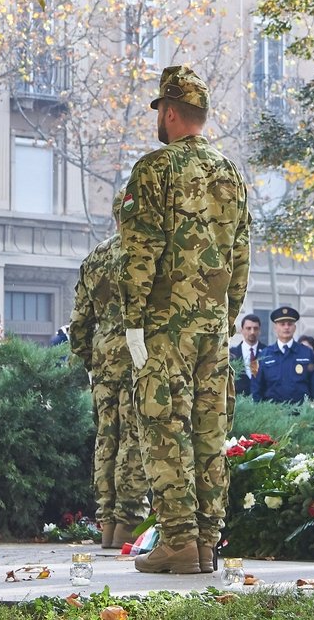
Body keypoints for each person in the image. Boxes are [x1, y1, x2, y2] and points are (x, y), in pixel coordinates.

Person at [119, 65, 251, 575]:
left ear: (170, 113)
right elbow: (240, 256)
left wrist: (133, 324)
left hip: (164, 327)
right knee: (209, 431)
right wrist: (226, 316)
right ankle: (206, 543)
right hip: (213, 330)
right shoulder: (232, 175)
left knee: (163, 427)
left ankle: (177, 541)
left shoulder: (154, 170)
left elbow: (139, 254)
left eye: (160, 112)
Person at [68, 190, 148, 551]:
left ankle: (106, 522)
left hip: (103, 356)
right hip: (139, 354)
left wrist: (89, 357)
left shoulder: (95, 257)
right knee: (134, 437)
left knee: (106, 437)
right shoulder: (146, 252)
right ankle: (129, 520)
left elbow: (79, 322)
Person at [250, 307, 314, 404]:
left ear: (294, 328)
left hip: (301, 415)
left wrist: (313, 412)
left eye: (290, 324)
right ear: (275, 328)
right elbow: (256, 390)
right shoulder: (263, 355)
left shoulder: (307, 353)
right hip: (273, 415)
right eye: (282, 324)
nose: (286, 327)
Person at [228, 314, 262, 398]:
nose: (252, 332)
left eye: (255, 328)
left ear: (259, 331)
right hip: (239, 403)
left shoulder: (267, 352)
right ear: (241, 330)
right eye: (248, 328)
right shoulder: (231, 354)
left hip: (262, 404)